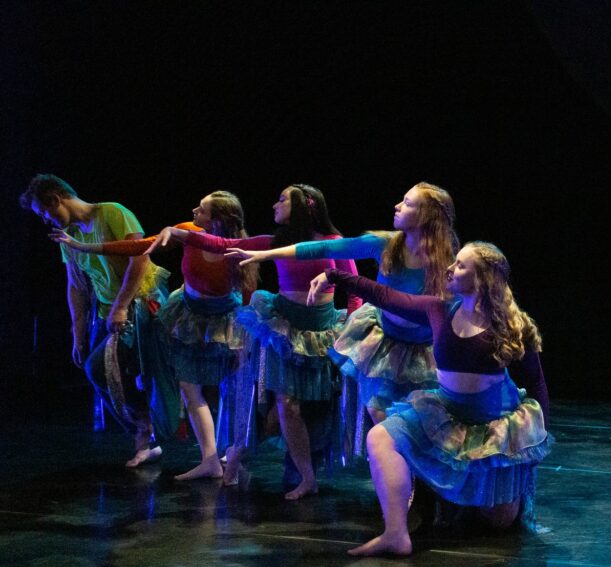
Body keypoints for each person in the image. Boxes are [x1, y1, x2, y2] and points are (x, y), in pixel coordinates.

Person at [310, 241, 552, 556]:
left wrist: (536, 439)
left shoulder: (511, 325)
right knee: (381, 437)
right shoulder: (437, 309)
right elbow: (385, 296)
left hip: (492, 425)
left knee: (499, 523)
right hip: (447, 412)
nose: (450, 268)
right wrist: (334, 276)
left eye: (461, 266)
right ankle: (395, 533)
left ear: (481, 279)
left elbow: (537, 382)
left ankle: (464, 501)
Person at [147, 184, 360, 499]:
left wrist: (352, 326)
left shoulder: (334, 244)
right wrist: (181, 235)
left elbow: (354, 288)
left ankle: (238, 458)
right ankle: (305, 478)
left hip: (321, 333)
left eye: (282, 199)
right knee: (284, 405)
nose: (275, 204)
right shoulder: (277, 242)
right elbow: (224, 243)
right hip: (284, 331)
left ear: (305, 205)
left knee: (304, 410)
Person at [227, 182, 459, 443]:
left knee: (424, 422)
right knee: (381, 413)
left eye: (407, 202)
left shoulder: (449, 258)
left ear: (426, 215)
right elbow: (324, 248)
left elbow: (455, 305)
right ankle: (402, 471)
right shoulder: (384, 244)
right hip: (385, 344)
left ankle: (413, 474)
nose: (396, 206)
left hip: (423, 350)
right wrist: (263, 256)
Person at [52, 191, 258, 481]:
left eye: (202, 209)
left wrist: (244, 336)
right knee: (188, 386)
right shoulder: (188, 232)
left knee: (226, 386)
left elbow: (247, 292)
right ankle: (209, 459)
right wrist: (85, 248)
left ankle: (232, 452)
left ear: (218, 220)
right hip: (189, 315)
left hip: (224, 321)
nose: (194, 211)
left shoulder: (239, 248)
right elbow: (140, 246)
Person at [20, 174, 170, 467]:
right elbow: (75, 284)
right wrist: (77, 332)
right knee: (97, 370)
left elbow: (138, 258)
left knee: (102, 367)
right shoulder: (68, 236)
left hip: (139, 300)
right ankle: (144, 434)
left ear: (55, 200)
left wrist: (122, 306)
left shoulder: (112, 212)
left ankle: (148, 425)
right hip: (107, 308)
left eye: (44, 213)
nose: (46, 221)